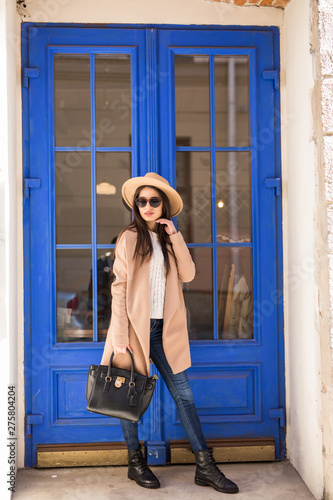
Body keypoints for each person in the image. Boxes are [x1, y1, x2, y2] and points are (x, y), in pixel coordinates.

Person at [100, 172, 239, 494]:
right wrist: (119, 334)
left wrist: (175, 235)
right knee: (127, 397)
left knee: (184, 396)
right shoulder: (129, 237)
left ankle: (205, 466)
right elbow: (118, 287)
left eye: (154, 201)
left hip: (165, 331)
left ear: (164, 205)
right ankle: (136, 464)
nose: (147, 206)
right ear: (135, 205)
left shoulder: (167, 238)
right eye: (142, 201)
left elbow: (189, 273)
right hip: (134, 331)